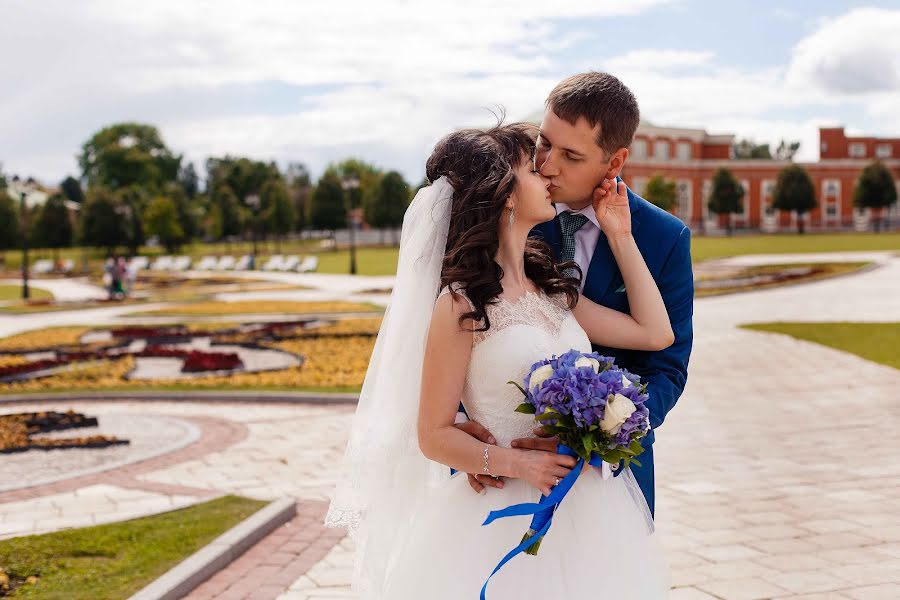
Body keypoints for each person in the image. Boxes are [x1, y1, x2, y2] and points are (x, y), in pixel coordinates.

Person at [326, 120, 671, 598]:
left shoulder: (551, 287)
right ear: (506, 195)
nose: (548, 175)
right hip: (503, 509)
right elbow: (433, 433)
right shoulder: (462, 304)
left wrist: (620, 234)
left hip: (590, 503)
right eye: (534, 168)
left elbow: (655, 333)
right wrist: (515, 464)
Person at [459, 72, 694, 517]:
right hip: (501, 474)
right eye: (545, 143)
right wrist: (469, 440)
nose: (547, 165)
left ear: (614, 161)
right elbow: (463, 331)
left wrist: (598, 438)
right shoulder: (509, 212)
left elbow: (666, 367)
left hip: (610, 484)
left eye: (571, 155)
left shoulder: (663, 238)